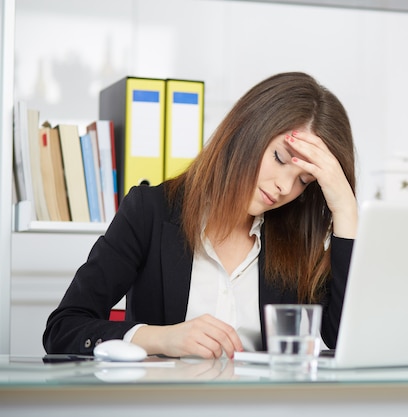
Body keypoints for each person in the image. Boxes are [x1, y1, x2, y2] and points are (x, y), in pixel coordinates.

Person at [43, 72, 358, 359]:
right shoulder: (150, 212)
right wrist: (160, 339)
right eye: (280, 158)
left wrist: (345, 208)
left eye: (304, 181)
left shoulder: (297, 241)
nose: (284, 186)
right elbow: (63, 329)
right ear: (248, 130)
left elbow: (341, 341)